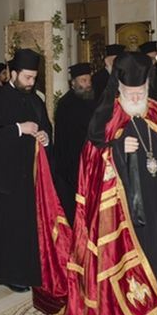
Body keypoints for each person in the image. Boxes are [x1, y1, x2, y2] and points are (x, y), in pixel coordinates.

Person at [61, 52, 157, 315]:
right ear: (119, 88)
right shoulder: (106, 116)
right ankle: (137, 311)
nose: (136, 97)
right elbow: (90, 158)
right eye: (130, 92)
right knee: (137, 250)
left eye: (141, 91)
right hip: (125, 206)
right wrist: (116, 148)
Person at [0, 48, 53, 292]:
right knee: (10, 227)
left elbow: (46, 127)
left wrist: (45, 137)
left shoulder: (36, 100)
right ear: (13, 73)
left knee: (28, 226)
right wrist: (19, 129)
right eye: (27, 77)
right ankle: (10, 274)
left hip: (30, 174)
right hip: (5, 176)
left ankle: (29, 269)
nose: (31, 82)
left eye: (34, 78)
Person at [53, 62, 96, 224]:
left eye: (89, 80)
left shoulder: (95, 100)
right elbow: (63, 139)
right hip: (73, 164)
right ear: (73, 83)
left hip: (93, 161)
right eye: (83, 81)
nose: (87, 84)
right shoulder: (65, 104)